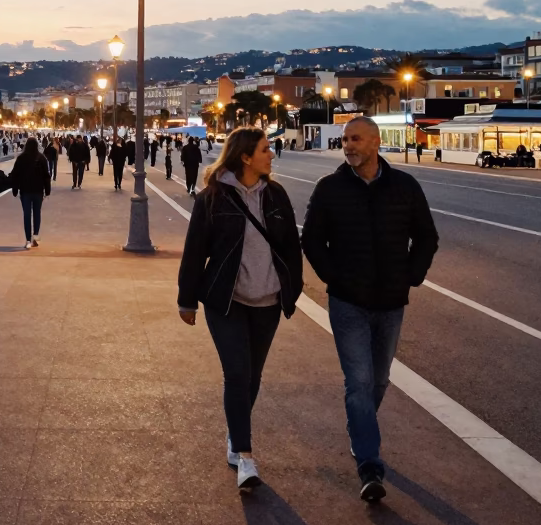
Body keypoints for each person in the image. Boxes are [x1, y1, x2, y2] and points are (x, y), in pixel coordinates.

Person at [301, 116, 439, 503]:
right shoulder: (330, 188)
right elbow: (311, 240)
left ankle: (359, 428)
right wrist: (335, 279)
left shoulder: (404, 186)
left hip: (392, 302)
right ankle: (369, 464)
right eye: (345, 140)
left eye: (355, 139)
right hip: (348, 303)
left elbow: (427, 236)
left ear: (376, 143)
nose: (348, 146)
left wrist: (411, 276)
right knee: (359, 382)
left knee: (379, 382)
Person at [177, 127, 303, 491]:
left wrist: (290, 288)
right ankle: (245, 455)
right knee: (236, 373)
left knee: (253, 376)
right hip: (226, 300)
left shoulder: (276, 195)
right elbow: (195, 251)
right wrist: (187, 299)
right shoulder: (213, 197)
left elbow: (290, 247)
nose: (272, 154)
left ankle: (235, 433)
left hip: (268, 300)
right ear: (246, 157)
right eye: (266, 149)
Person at [9, 137, 51, 249]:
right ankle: (35, 237)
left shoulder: (21, 158)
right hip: (38, 191)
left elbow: (15, 175)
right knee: (37, 214)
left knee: (27, 215)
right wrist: (47, 190)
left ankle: (28, 240)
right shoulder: (42, 158)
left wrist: (15, 189)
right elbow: (46, 176)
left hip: (25, 191)